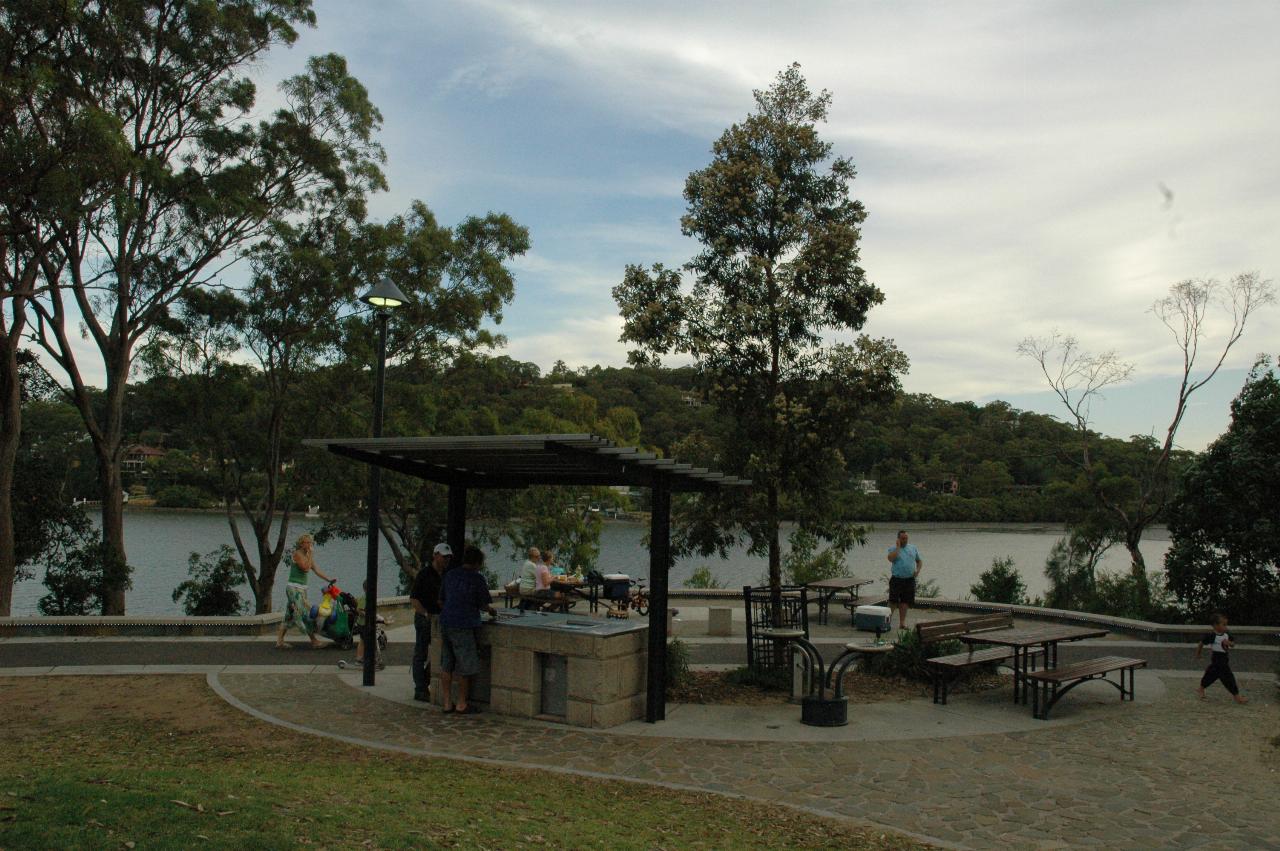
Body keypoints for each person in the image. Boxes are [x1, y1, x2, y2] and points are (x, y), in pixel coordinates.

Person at [438, 545, 496, 714]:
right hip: (463, 624)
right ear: (478, 563)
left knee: (446, 664)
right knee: (465, 665)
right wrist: (492, 611)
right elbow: (484, 605)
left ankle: (447, 702)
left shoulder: (450, 575)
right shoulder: (476, 579)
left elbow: (441, 600)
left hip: (446, 622)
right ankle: (462, 703)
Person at [276, 533, 334, 649]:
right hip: (294, 589)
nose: (309, 544)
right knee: (303, 613)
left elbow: (316, 569)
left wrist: (328, 579)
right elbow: (306, 568)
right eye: (307, 542)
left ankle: (279, 641)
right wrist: (311, 554)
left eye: (310, 542)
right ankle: (314, 641)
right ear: (301, 544)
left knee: (289, 615)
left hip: (302, 589)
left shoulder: (307, 555)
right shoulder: (297, 554)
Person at [409, 543, 450, 701]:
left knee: (440, 653)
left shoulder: (447, 574)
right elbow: (413, 598)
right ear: (435, 555)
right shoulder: (425, 574)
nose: (446, 560)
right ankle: (420, 688)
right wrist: (425, 614)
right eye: (444, 556)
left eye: (448, 557)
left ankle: (425, 680)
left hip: (441, 618)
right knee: (421, 652)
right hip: (425, 618)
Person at [1196, 613, 1247, 704]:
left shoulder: (1227, 635)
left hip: (1224, 660)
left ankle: (1236, 696)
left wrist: (1229, 643)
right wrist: (1198, 653)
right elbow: (1201, 643)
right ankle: (1236, 696)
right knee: (1215, 676)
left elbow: (1233, 644)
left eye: (1226, 624)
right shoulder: (1212, 636)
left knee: (1221, 676)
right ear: (1215, 625)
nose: (1225, 627)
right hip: (1216, 660)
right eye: (1223, 624)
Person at [886, 530, 922, 631]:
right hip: (897, 579)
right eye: (903, 538)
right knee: (892, 602)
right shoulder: (892, 549)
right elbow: (890, 559)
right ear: (898, 539)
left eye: (906, 538)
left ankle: (902, 623)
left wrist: (918, 570)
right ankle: (886, 622)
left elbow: (919, 561)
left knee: (905, 602)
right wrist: (898, 547)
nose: (905, 540)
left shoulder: (913, 548)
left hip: (909, 580)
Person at [353, 580, 384, 671]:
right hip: (363, 623)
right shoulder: (365, 598)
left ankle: (360, 658)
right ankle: (366, 659)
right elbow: (359, 609)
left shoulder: (370, 597)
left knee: (363, 640)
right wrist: (368, 615)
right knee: (368, 641)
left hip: (367, 623)